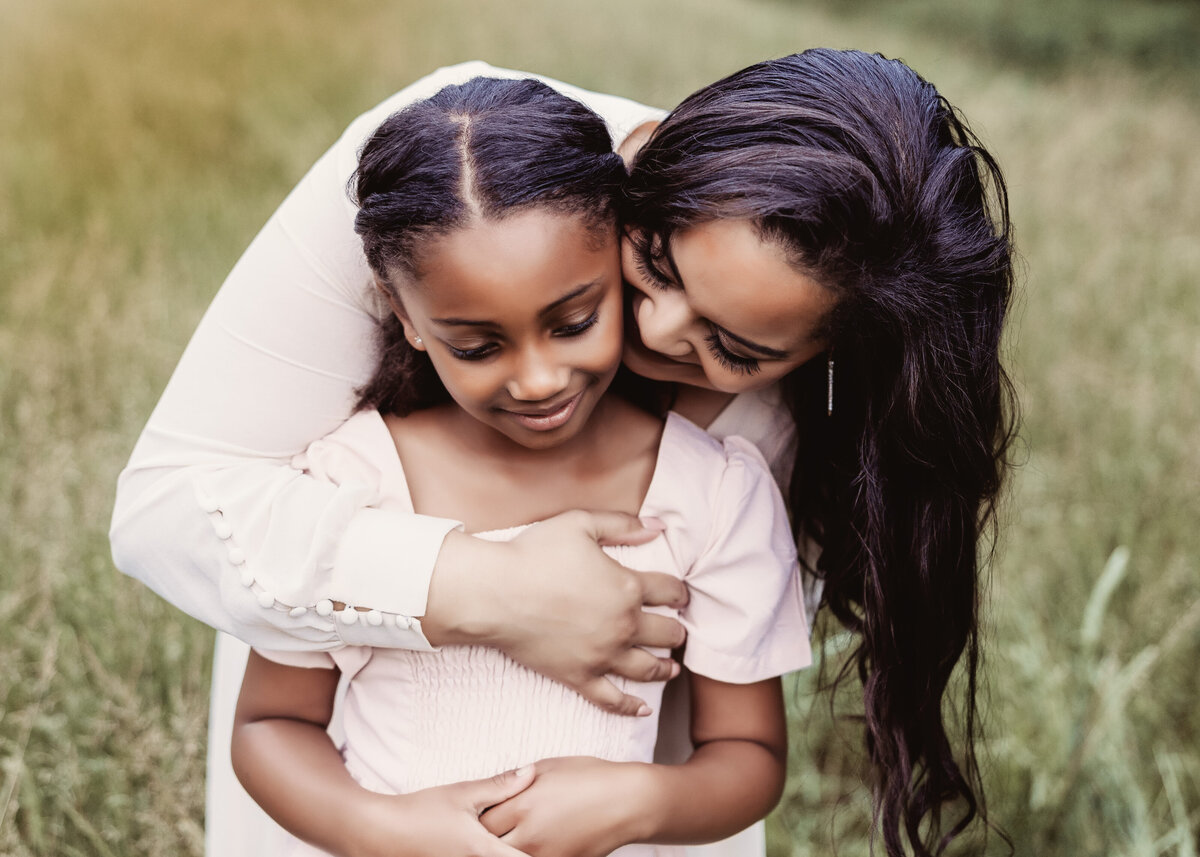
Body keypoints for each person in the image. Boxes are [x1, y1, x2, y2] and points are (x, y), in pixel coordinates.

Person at [111, 49, 1016, 857]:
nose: (653, 331)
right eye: (655, 262)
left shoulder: (733, 478)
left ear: (828, 364)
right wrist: (490, 591)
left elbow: (724, 747)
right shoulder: (457, 199)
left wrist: (637, 800)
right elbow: (174, 523)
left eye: (738, 349)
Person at [229, 75, 811, 857]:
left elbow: (749, 756)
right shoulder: (351, 480)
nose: (537, 380)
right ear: (407, 318)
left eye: (574, 321)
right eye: (476, 345)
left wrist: (637, 799)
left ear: (619, 263)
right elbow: (272, 723)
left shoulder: (712, 492)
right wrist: (385, 827)